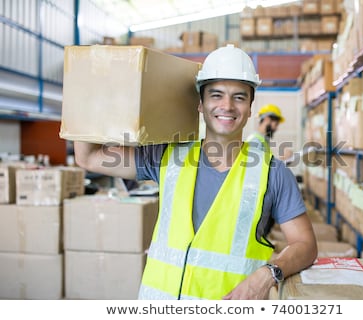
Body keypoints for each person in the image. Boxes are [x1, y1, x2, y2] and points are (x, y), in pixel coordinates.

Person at [73, 44, 317, 300]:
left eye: (239, 97)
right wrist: (89, 88)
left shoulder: (273, 173)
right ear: (200, 103)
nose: (227, 105)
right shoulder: (168, 157)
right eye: (216, 95)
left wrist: (268, 274)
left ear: (250, 108)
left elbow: (306, 245)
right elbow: (88, 156)